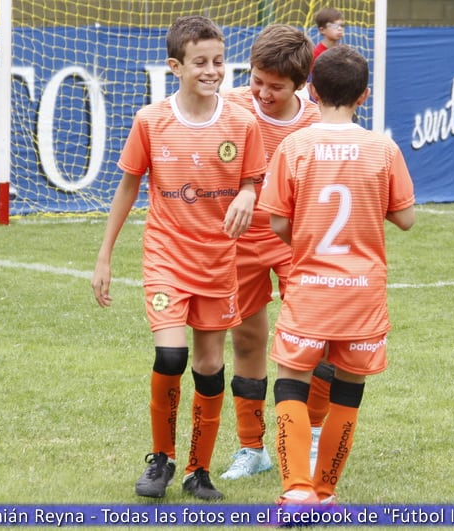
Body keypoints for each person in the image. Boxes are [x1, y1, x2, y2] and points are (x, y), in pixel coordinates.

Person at [91, 15, 266, 501]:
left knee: (210, 366)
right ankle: (161, 460)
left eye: (218, 61)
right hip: (167, 256)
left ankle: (198, 470)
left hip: (218, 261)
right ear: (176, 66)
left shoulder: (242, 122)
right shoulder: (151, 120)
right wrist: (104, 256)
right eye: (200, 63)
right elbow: (128, 184)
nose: (212, 71)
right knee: (171, 356)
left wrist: (248, 193)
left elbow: (253, 178)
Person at [258, 45, 416, 506]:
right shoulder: (382, 148)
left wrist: (307, 240)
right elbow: (405, 218)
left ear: (310, 89)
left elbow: (278, 222)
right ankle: (325, 491)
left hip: (310, 288)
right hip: (362, 294)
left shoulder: (294, 145)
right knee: (348, 388)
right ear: (364, 96)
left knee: (291, 382)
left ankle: (296, 491)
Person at [219, 24, 321, 481]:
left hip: (296, 241)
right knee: (246, 339)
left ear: (300, 85)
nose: (260, 92)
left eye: (274, 87)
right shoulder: (232, 106)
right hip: (240, 239)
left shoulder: (316, 125)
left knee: (311, 341)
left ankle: (311, 436)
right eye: (256, 80)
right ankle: (251, 448)